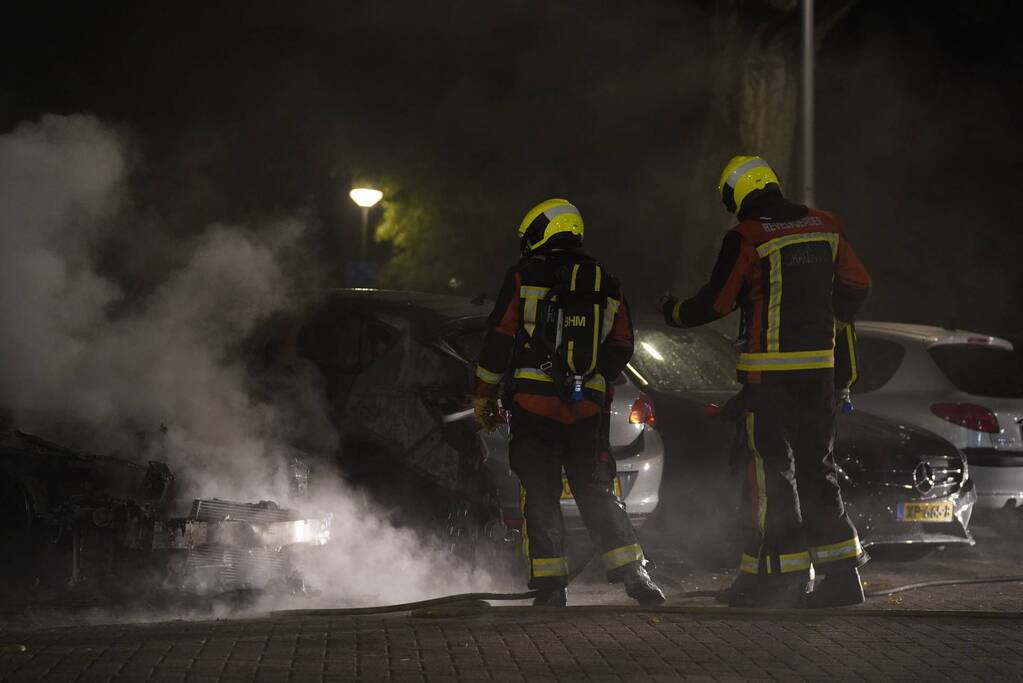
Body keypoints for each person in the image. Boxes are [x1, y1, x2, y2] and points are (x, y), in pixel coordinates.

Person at [658, 156, 872, 608]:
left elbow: (716, 303)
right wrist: (823, 318)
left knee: (768, 476)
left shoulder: (747, 236)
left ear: (738, 194)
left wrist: (674, 312)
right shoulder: (826, 225)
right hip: (818, 376)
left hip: (770, 379)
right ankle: (841, 579)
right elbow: (857, 283)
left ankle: (777, 581)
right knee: (819, 472)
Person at [473, 198, 665, 607]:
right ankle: (635, 574)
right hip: (587, 411)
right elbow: (623, 343)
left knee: (540, 494)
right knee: (596, 490)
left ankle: (550, 588)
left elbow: (499, 339)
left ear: (541, 231)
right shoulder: (605, 280)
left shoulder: (525, 276)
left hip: (533, 408)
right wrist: (589, 378)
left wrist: (483, 395)